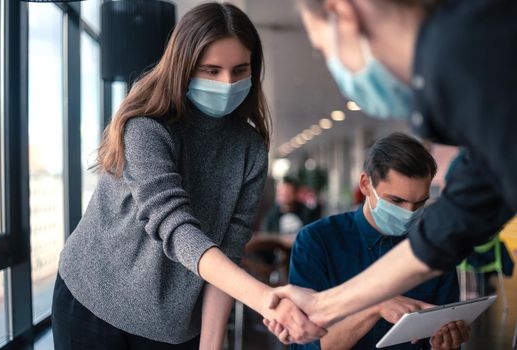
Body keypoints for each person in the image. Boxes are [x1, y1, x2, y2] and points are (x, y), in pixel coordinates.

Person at [51, 3, 325, 349]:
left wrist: (211, 344)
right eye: (211, 70)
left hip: (173, 323)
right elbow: (174, 225)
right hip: (93, 302)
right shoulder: (147, 126)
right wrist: (267, 300)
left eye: (240, 70)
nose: (228, 82)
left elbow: (230, 249)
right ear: (183, 68)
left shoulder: (251, 149)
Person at [267, 0, 517, 340]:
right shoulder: (473, 56)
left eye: (323, 47)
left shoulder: (469, 60)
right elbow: (457, 220)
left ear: (343, 11)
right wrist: (326, 306)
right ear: (366, 185)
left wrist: (326, 306)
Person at [280, 133, 470, 349]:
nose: (408, 213)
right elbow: (307, 346)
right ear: (365, 185)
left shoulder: (434, 246)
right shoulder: (317, 241)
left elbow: (443, 328)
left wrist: (445, 343)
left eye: (419, 203)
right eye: (396, 200)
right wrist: (373, 307)